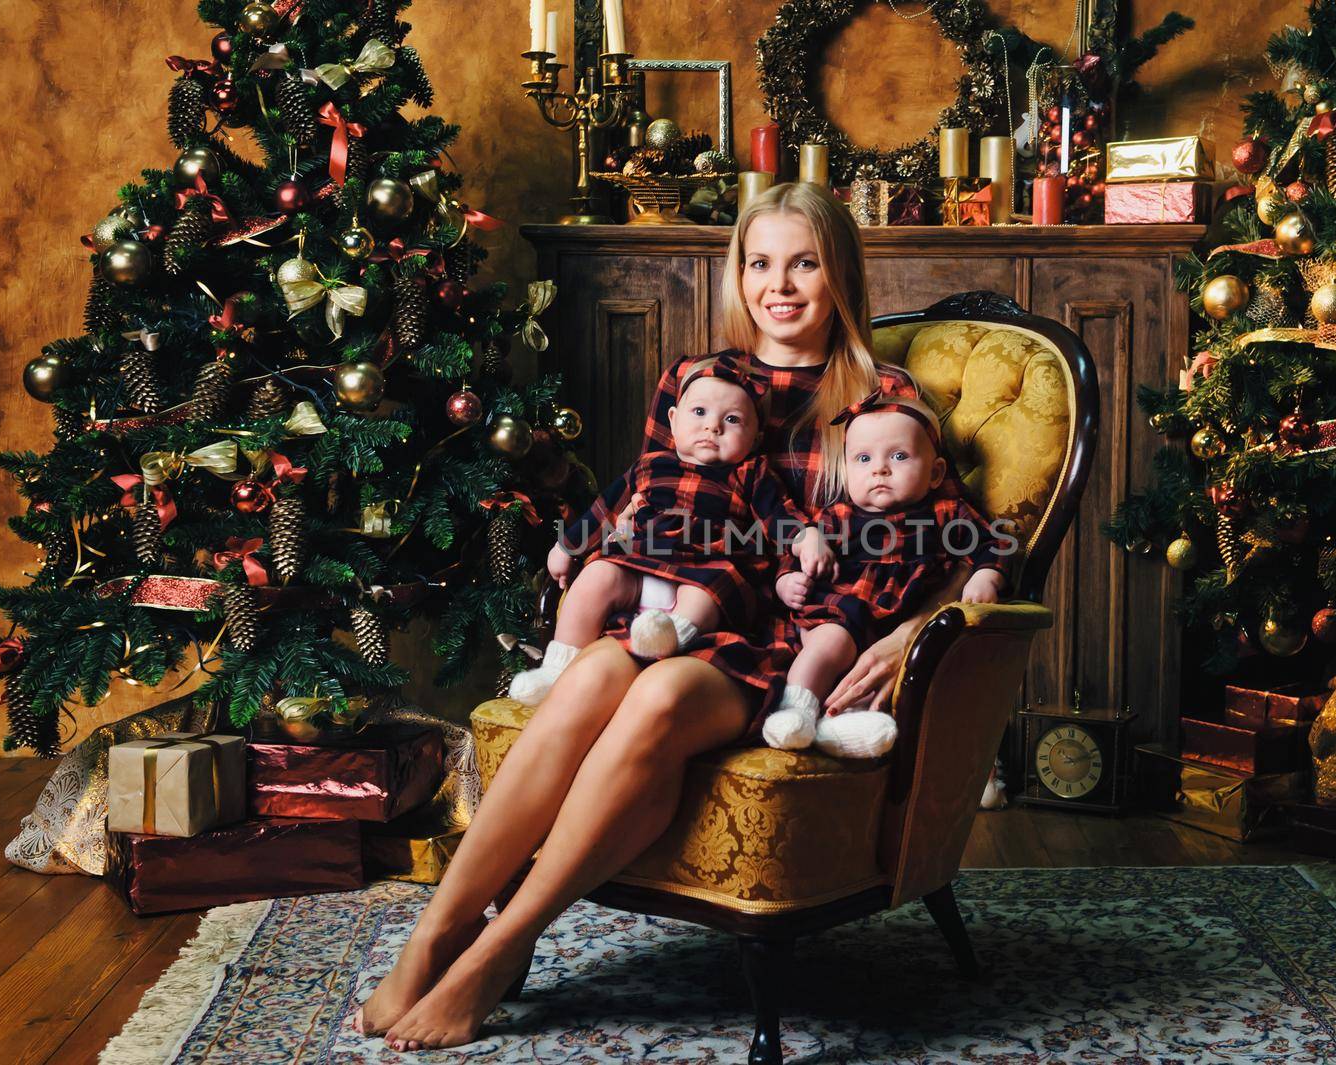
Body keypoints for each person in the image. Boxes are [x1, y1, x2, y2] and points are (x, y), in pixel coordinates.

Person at [360, 181, 976, 1051]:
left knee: (652, 701)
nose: (782, 285)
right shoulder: (699, 380)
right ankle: (437, 933)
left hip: (785, 642)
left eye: (804, 263)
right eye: (760, 263)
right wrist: (591, 558)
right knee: (593, 683)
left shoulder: (882, 391)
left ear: (840, 273)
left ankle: (500, 947)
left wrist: (918, 626)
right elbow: (646, 501)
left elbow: (942, 538)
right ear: (737, 274)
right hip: (678, 606)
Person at [507, 354, 831, 704]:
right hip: (641, 560)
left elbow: (777, 514)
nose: (713, 427)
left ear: (754, 438)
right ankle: (557, 668)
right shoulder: (650, 465)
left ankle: (671, 635)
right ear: (673, 422)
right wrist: (567, 547)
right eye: (699, 413)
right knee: (596, 576)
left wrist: (804, 536)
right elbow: (605, 510)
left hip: (707, 566)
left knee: (712, 590)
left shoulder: (751, 472)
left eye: (733, 419)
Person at [762, 391, 1008, 758]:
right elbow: (797, 554)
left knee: (891, 679)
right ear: (846, 471)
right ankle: (795, 710)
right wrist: (786, 581)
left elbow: (995, 542)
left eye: (899, 456)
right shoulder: (837, 517)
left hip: (894, 627)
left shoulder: (946, 513)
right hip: (838, 613)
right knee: (833, 644)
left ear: (936, 472)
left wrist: (986, 574)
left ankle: (839, 725)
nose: (879, 468)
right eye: (863, 458)